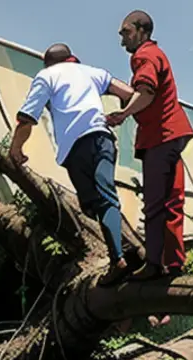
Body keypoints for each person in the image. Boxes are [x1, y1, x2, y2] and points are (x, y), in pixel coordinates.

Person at [9, 43, 137, 286]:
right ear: (71, 59)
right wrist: (122, 115)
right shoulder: (92, 72)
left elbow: (27, 118)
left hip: (75, 149)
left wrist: (15, 149)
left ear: (48, 63)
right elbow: (128, 93)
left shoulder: (46, 76)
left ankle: (118, 260)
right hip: (103, 138)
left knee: (93, 205)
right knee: (106, 198)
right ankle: (121, 255)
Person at [105, 10, 193, 281]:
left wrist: (121, 115)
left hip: (160, 136)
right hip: (173, 134)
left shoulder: (144, 55)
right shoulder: (158, 54)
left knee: (155, 204)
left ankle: (155, 264)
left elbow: (146, 92)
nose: (123, 41)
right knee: (172, 201)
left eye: (126, 32)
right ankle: (174, 263)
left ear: (142, 32)